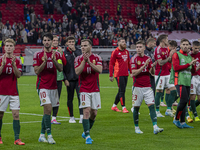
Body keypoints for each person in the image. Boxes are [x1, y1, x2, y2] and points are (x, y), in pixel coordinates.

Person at [33, 33, 63, 144]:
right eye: (45, 40)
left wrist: (54, 60)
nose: (46, 42)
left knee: (47, 111)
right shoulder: (38, 55)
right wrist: (45, 61)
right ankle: (49, 135)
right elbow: (36, 71)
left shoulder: (57, 55)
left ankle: (41, 135)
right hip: (42, 86)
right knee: (48, 108)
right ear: (42, 41)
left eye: (48, 40)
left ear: (51, 42)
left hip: (53, 86)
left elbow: (60, 69)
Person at [130, 40, 164, 134]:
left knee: (151, 107)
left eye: (140, 47)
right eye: (137, 47)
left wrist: (152, 66)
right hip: (137, 88)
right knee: (136, 108)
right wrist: (144, 65)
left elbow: (152, 73)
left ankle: (155, 127)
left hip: (148, 87)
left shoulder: (148, 58)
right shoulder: (134, 59)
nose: (138, 49)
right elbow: (134, 73)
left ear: (144, 48)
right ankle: (136, 128)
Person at [74, 39, 102, 144]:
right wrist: (84, 62)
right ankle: (88, 136)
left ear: (90, 47)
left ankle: (85, 131)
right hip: (84, 89)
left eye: (85, 46)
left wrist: (89, 62)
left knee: (94, 113)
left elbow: (99, 70)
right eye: (81, 46)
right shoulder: (78, 59)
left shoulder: (97, 58)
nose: (82, 48)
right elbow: (77, 72)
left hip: (95, 89)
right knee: (86, 111)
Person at [0, 38, 25, 145]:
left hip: (14, 92)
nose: (9, 47)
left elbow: (18, 75)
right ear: (4, 47)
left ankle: (17, 139)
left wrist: (14, 64)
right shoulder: (0, 59)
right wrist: (2, 65)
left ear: (14, 48)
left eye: (11, 46)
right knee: (0, 115)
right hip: (1, 92)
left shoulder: (17, 60)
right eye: (7, 46)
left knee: (16, 115)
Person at [170, 38, 197, 129]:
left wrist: (193, 65)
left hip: (187, 81)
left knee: (185, 102)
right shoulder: (176, 55)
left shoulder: (189, 57)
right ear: (180, 45)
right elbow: (176, 67)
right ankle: (176, 119)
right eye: (184, 44)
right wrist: (189, 64)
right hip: (179, 80)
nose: (185, 46)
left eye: (187, 45)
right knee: (183, 100)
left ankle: (182, 122)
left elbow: (192, 71)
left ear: (189, 46)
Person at [154, 34, 177, 117]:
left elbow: (169, 61)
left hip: (167, 73)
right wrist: (169, 57)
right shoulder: (158, 49)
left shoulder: (166, 49)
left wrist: (172, 56)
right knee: (159, 92)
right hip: (160, 74)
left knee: (173, 90)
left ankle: (168, 109)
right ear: (163, 40)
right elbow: (160, 62)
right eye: (167, 39)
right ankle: (156, 111)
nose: (168, 41)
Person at [63, 36, 83, 123]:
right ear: (66, 43)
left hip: (78, 78)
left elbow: (82, 59)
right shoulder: (64, 53)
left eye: (72, 42)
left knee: (80, 97)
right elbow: (62, 68)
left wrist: (74, 50)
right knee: (70, 98)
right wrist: (65, 79)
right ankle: (71, 116)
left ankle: (81, 115)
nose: (71, 43)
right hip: (69, 79)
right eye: (69, 42)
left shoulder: (78, 51)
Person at [110, 38, 132, 113]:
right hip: (119, 74)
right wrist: (111, 75)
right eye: (123, 42)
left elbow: (129, 62)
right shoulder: (115, 52)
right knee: (122, 91)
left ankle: (114, 106)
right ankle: (124, 107)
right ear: (118, 43)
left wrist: (131, 72)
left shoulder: (126, 51)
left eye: (125, 42)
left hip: (126, 73)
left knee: (121, 90)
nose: (124, 43)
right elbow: (111, 64)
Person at [51, 35, 65, 124]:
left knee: (57, 99)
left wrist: (61, 54)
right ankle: (49, 116)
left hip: (59, 78)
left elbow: (65, 63)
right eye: (54, 40)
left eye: (57, 40)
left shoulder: (60, 51)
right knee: (49, 99)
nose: (56, 42)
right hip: (51, 78)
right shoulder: (49, 51)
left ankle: (54, 118)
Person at [187, 41, 200, 122]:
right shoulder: (189, 56)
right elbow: (191, 70)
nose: (197, 50)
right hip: (192, 77)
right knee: (193, 96)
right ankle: (195, 115)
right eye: (195, 48)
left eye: (198, 48)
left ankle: (191, 108)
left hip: (199, 77)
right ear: (192, 47)